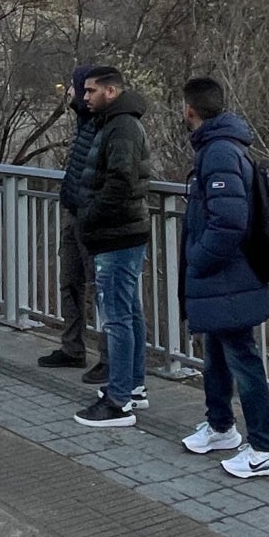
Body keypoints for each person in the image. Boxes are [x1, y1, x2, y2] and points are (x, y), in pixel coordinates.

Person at [174, 77, 269, 478]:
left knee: (242, 357)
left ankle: (266, 448)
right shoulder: (222, 146)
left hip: (227, 273)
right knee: (218, 353)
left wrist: (199, 259)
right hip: (225, 275)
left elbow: (229, 220)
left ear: (189, 110)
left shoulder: (219, 152)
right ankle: (221, 425)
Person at [74, 67, 154, 428]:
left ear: (110, 91)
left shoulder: (120, 127)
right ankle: (132, 386)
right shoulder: (115, 122)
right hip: (123, 232)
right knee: (129, 313)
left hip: (116, 233)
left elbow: (120, 180)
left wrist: (89, 216)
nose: (84, 97)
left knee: (118, 317)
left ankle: (119, 400)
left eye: (90, 91)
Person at [43, 63, 103, 372]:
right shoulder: (83, 122)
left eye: (74, 87)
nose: (68, 92)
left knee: (98, 286)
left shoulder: (102, 123)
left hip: (90, 214)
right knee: (70, 281)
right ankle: (72, 346)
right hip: (74, 208)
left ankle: (107, 357)